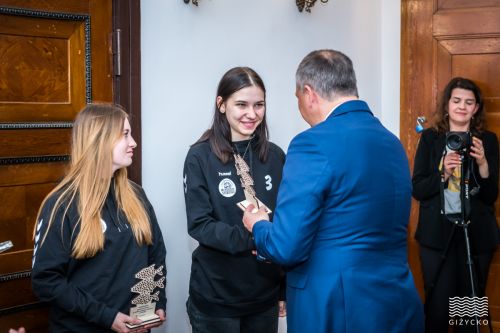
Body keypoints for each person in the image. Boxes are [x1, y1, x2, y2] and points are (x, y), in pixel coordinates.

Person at [242, 49, 424, 333]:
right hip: (395, 299)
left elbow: (287, 246)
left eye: (298, 98)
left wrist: (259, 226)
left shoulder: (311, 144)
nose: (300, 106)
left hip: (336, 307)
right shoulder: (391, 142)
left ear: (309, 93)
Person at [31, 104, 167, 333]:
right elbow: (46, 281)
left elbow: (154, 255)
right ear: (100, 140)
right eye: (125, 135)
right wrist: (106, 317)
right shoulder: (61, 205)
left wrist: (149, 307)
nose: (133, 142)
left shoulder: (136, 195)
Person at [183, 67, 286, 333]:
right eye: (241, 104)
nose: (252, 114)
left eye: (259, 105)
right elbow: (200, 224)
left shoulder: (275, 156)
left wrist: (283, 288)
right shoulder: (200, 157)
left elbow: (286, 221)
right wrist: (256, 237)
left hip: (264, 297)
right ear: (221, 104)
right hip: (217, 297)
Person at [412, 77, 499, 332]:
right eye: (457, 100)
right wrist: (444, 173)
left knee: (466, 319)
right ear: (447, 104)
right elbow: (418, 189)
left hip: (475, 238)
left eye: (469, 102)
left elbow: (490, 195)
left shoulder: (487, 141)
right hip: (437, 238)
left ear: (476, 108)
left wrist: (483, 165)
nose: (462, 106)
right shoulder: (430, 138)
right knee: (438, 312)